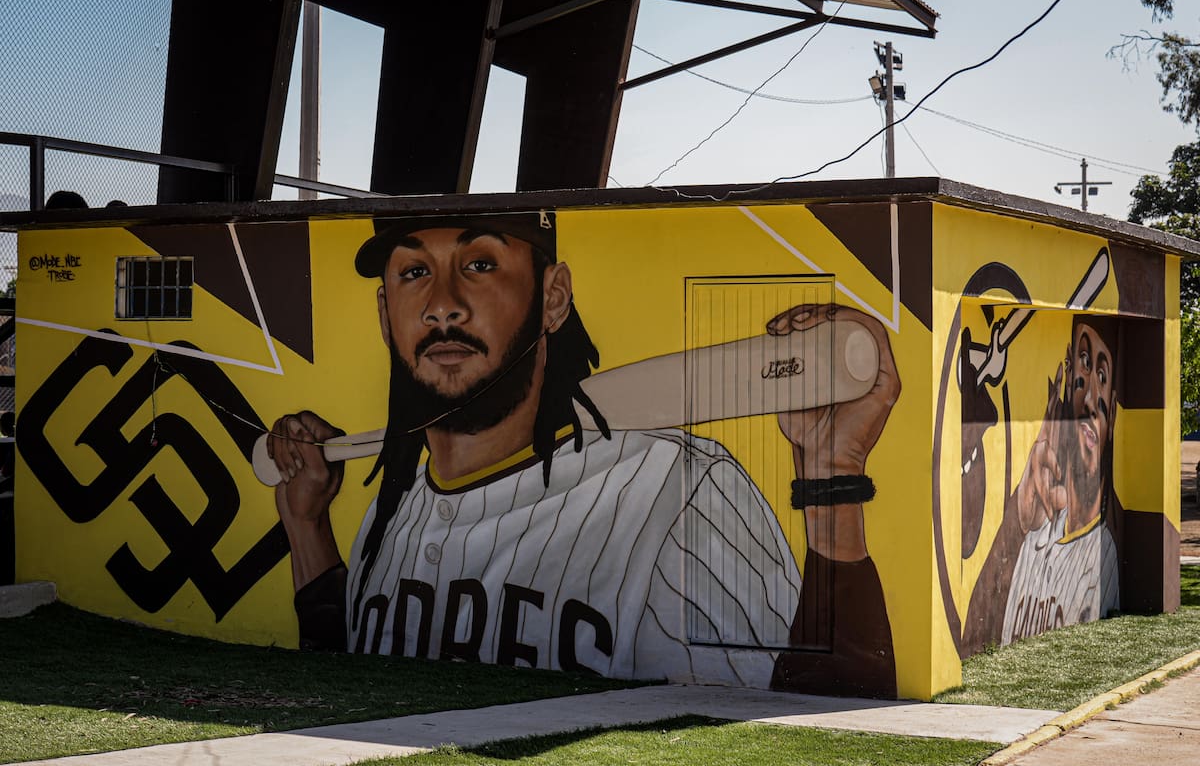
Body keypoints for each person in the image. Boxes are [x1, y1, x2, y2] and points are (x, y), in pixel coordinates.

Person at [269, 212, 900, 694]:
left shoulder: (679, 490)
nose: (442, 305)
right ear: (386, 315)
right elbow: (345, 683)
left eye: (480, 264)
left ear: (553, 297)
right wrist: (306, 525)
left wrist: (830, 475)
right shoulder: (390, 508)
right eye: (413, 273)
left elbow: (822, 721)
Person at [962, 315, 1120, 651]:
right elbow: (972, 638)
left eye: (1102, 376)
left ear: (1114, 413)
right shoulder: (1037, 529)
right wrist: (1015, 520)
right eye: (1085, 363)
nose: (1090, 397)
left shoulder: (1103, 555)